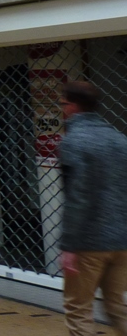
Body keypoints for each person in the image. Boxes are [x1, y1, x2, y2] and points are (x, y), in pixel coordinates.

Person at [60, 80, 127, 336]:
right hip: (121, 241)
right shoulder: (120, 139)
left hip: (88, 242)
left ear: (73, 106)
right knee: (117, 307)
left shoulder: (73, 142)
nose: (62, 108)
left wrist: (69, 245)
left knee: (78, 307)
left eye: (63, 103)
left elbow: (77, 197)